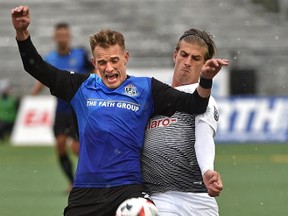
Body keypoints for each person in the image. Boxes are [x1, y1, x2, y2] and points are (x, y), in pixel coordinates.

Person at [11, 5, 228, 216]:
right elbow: (35, 66)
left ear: (126, 58)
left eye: (115, 60)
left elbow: (196, 104)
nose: (109, 68)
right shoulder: (80, 86)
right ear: (94, 62)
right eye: (102, 62)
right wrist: (22, 33)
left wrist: (205, 80)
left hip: (128, 189)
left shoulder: (146, 89)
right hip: (87, 190)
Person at [141, 28, 224, 216]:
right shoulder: (155, 96)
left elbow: (203, 137)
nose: (187, 62)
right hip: (159, 198)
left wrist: (207, 171)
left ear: (205, 64)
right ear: (175, 55)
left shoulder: (203, 99)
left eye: (196, 59)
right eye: (184, 55)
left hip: (198, 199)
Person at [30, 22, 94, 192]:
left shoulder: (80, 55)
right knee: (59, 145)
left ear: (69, 36)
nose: (62, 38)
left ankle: (91, 176)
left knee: (76, 147)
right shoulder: (50, 58)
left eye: (65, 35)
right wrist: (33, 94)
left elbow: (95, 73)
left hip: (78, 108)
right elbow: (43, 77)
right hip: (60, 109)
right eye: (59, 35)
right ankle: (72, 182)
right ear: (55, 37)